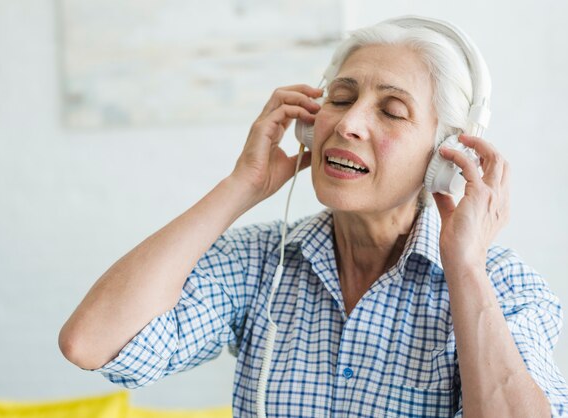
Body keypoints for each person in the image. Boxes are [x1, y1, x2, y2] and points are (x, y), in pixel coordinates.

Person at [59, 16, 568, 417]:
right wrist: (243, 186)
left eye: (391, 110)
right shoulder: (263, 262)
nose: (347, 122)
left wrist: (466, 268)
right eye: (341, 98)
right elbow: (90, 343)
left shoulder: (505, 288)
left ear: (444, 156)